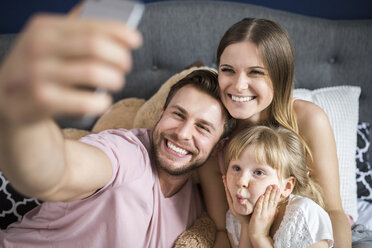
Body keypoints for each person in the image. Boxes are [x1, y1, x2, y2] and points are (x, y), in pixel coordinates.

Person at [0, 8, 235, 248]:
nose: (183, 133)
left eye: (203, 128)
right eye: (178, 114)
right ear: (161, 112)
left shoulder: (196, 208)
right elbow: (57, 173)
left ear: (219, 144)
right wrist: (20, 115)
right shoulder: (126, 153)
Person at [197, 18, 352, 247]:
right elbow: (223, 228)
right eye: (228, 70)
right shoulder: (214, 138)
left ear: (279, 77)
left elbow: (334, 212)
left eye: (255, 72)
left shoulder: (308, 119)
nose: (239, 85)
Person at [222, 125, 333, 248]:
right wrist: (246, 226)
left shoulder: (304, 215)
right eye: (236, 168)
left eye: (258, 172)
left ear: (286, 187)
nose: (241, 181)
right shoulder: (235, 219)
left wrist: (259, 237)